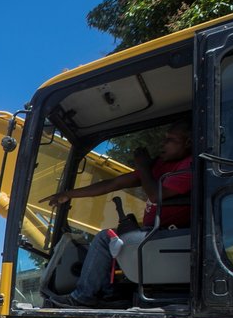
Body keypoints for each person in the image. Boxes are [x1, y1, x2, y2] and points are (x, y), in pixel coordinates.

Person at [42, 120, 192, 308]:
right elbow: (112, 184)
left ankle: (83, 297)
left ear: (188, 143)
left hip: (173, 234)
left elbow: (155, 195)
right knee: (115, 240)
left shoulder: (190, 166)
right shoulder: (162, 166)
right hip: (156, 233)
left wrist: (143, 166)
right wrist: (68, 194)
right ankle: (109, 295)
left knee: (106, 238)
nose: (163, 144)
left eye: (171, 140)